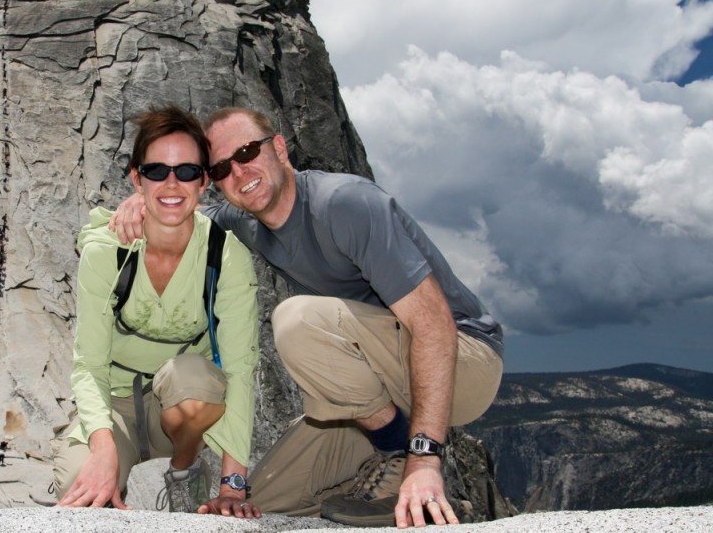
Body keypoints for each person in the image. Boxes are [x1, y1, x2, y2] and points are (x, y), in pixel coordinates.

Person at [110, 107, 503, 528]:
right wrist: (145, 200)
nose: (239, 172)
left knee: (298, 321)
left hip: (461, 361)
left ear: (279, 148)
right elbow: (182, 216)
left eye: (247, 152)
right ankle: (410, 500)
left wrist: (423, 459)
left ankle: (398, 455)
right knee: (258, 504)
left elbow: (432, 326)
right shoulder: (243, 221)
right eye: (221, 167)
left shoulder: (345, 204)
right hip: (377, 390)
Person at [53, 105, 262, 518]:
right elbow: (89, 364)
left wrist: (233, 486)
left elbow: (239, 368)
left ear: (204, 181)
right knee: (80, 487)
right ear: (136, 178)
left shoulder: (226, 256)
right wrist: (102, 446)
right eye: (156, 172)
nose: (172, 184)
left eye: (186, 171)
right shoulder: (106, 251)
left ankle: (185, 473)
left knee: (194, 376)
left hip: (183, 406)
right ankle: (109, 460)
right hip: (117, 403)